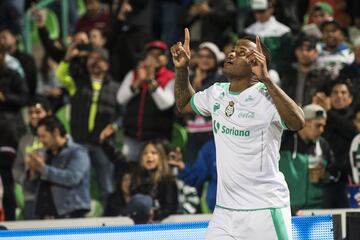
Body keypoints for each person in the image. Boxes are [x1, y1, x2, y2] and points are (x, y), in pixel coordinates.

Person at [170, 29, 304, 239]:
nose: (231, 54)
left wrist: (267, 80)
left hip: (264, 209)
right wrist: (182, 69)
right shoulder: (217, 93)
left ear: (255, 65)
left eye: (242, 52)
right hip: (225, 211)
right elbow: (184, 104)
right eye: (232, 50)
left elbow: (298, 122)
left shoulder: (267, 97)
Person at [26, 117, 91, 219]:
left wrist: (43, 169)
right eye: (39, 137)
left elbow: (72, 178)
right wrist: (33, 172)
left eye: (43, 136)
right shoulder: (45, 154)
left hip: (71, 216)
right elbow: (31, 188)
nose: (41, 141)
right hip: (44, 217)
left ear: (56, 132)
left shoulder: (77, 152)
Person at [279, 104, 335, 215]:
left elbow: (333, 172)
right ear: (305, 122)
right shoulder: (284, 140)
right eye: (318, 125)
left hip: (316, 210)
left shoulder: (322, 145)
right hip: (286, 208)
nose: (322, 130)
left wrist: (324, 175)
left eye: (323, 126)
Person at [12, 97, 53, 219]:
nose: (34, 115)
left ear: (48, 113)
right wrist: (26, 178)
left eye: (38, 112)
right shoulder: (25, 140)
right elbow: (17, 167)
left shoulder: (56, 137)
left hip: (52, 197)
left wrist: (42, 168)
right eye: (30, 112)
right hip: (30, 197)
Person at [130, 141, 178, 221]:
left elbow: (170, 207)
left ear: (161, 156)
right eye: (145, 153)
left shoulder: (167, 179)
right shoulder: (137, 177)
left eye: (153, 153)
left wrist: (155, 214)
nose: (149, 156)